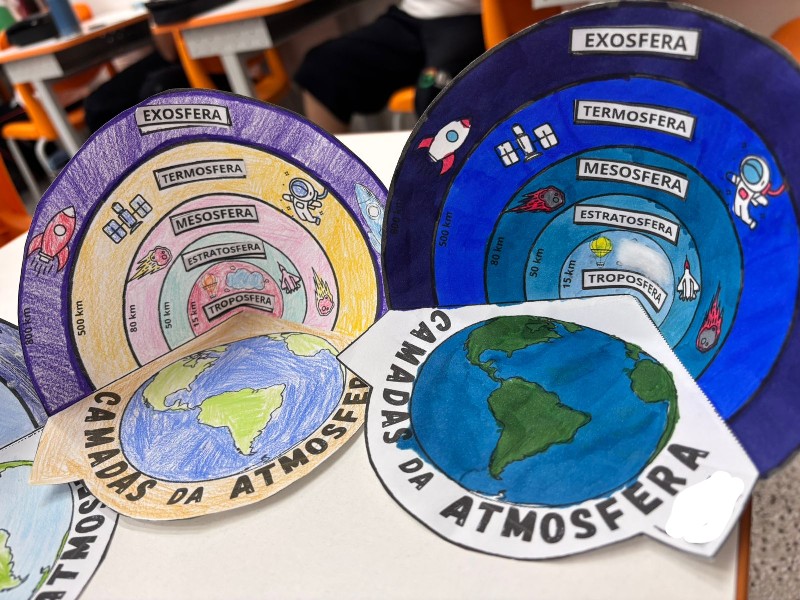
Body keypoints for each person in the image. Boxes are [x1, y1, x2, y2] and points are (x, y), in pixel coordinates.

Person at [295, 0, 484, 133]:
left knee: (434, 94)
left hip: (472, 17)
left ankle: (442, 176)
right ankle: (333, 173)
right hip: (412, 15)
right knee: (321, 69)